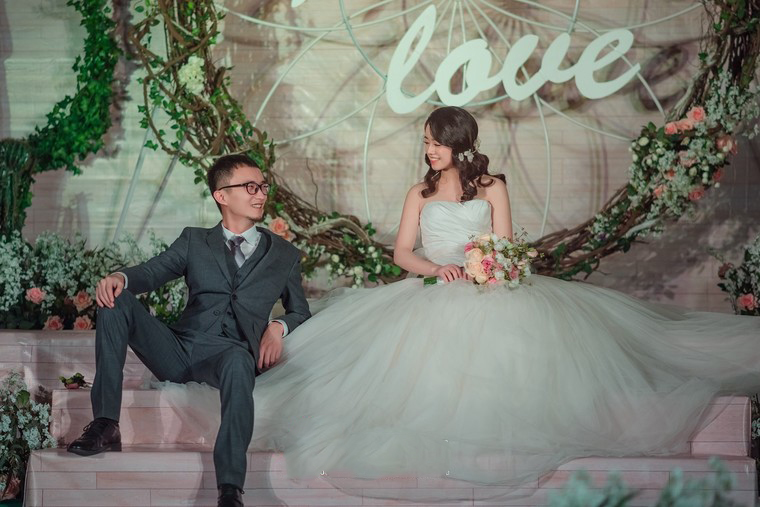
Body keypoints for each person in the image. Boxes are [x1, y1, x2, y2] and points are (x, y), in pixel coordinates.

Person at [163, 108, 760, 499]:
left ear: (457, 144)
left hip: (492, 288)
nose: (428, 151)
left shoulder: (493, 186)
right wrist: (439, 268)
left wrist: (492, 266)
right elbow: (402, 253)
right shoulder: (418, 192)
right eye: (425, 143)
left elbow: (506, 243)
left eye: (434, 143)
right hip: (433, 288)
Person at [66, 154, 311, 507]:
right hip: (179, 350)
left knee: (239, 362)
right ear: (221, 195)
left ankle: (230, 489)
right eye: (250, 187)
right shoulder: (195, 240)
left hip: (230, 357)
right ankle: (105, 422)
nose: (260, 194)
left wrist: (278, 327)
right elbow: (153, 271)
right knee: (115, 300)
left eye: (263, 186)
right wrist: (120, 277)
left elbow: (299, 310)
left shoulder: (284, 254)